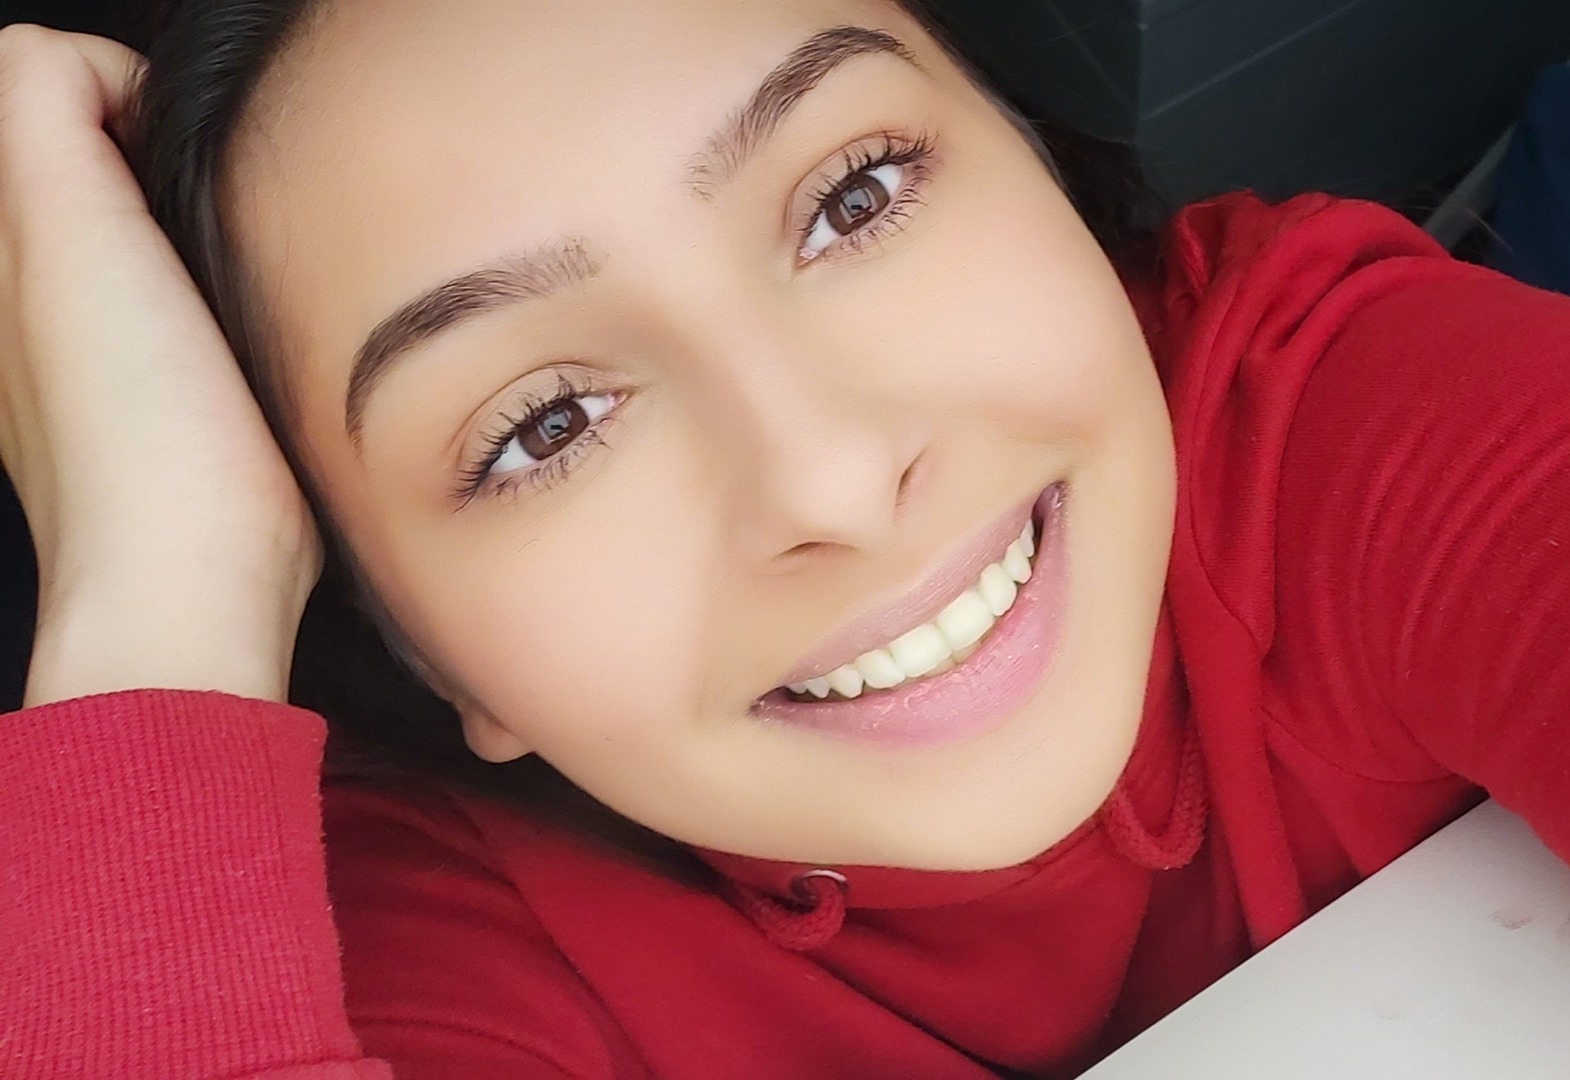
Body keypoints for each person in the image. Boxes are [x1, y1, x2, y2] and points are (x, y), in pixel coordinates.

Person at [3, 1, 1570, 1076]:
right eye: (545, 427)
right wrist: (153, 599)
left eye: (855, 196)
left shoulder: (1327, 421)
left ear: (1032, 159)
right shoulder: (433, 936)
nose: (827, 480)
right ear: (421, 651)